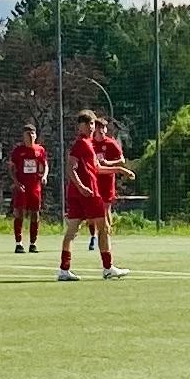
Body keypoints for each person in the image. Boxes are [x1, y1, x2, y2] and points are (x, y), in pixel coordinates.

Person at [59, 110, 132, 281]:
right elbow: (70, 168)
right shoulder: (81, 144)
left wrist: (119, 170)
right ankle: (108, 268)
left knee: (72, 231)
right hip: (88, 193)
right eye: (87, 124)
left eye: (92, 123)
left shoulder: (88, 144)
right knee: (103, 228)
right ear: (80, 127)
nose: (90, 127)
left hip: (79, 194)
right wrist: (82, 186)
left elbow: (97, 168)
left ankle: (64, 270)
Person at [9, 124, 49, 253]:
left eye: (32, 134)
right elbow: (11, 168)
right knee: (19, 213)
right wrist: (16, 182)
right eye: (28, 134)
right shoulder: (18, 151)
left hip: (35, 187)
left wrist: (44, 176)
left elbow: (45, 164)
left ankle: (33, 243)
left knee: (35, 214)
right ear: (24, 136)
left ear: (35, 135)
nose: (31, 136)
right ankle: (18, 243)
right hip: (22, 187)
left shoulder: (40, 150)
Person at [88, 119, 126, 252]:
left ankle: (106, 235)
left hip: (107, 181)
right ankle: (93, 236)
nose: (102, 130)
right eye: (99, 127)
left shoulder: (111, 143)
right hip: (93, 181)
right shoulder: (90, 143)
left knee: (106, 208)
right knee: (92, 212)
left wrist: (108, 163)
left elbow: (122, 160)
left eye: (104, 127)